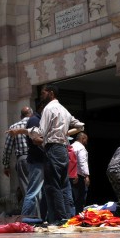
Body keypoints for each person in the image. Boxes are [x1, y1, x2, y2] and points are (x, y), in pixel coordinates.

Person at [30, 85, 84, 225]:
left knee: (53, 184)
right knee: (64, 183)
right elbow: (80, 126)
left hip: (53, 148)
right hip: (63, 148)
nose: (41, 96)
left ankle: (60, 218)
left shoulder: (49, 109)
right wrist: (64, 132)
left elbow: (41, 132)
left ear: (51, 93)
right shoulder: (64, 110)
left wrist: (29, 132)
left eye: (43, 93)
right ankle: (67, 215)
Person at [2, 106, 33, 205]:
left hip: (22, 159)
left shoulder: (14, 127)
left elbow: (7, 148)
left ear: (21, 115)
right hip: (37, 159)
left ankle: (32, 215)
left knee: (26, 188)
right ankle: (40, 213)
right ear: (31, 114)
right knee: (37, 187)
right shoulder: (37, 124)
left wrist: (6, 165)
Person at [71, 131, 90, 214]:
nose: (87, 142)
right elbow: (82, 162)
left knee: (72, 197)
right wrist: (86, 176)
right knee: (80, 197)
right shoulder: (81, 148)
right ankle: (78, 215)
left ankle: (71, 215)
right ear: (83, 139)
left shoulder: (71, 146)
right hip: (79, 176)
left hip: (71, 175)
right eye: (86, 140)